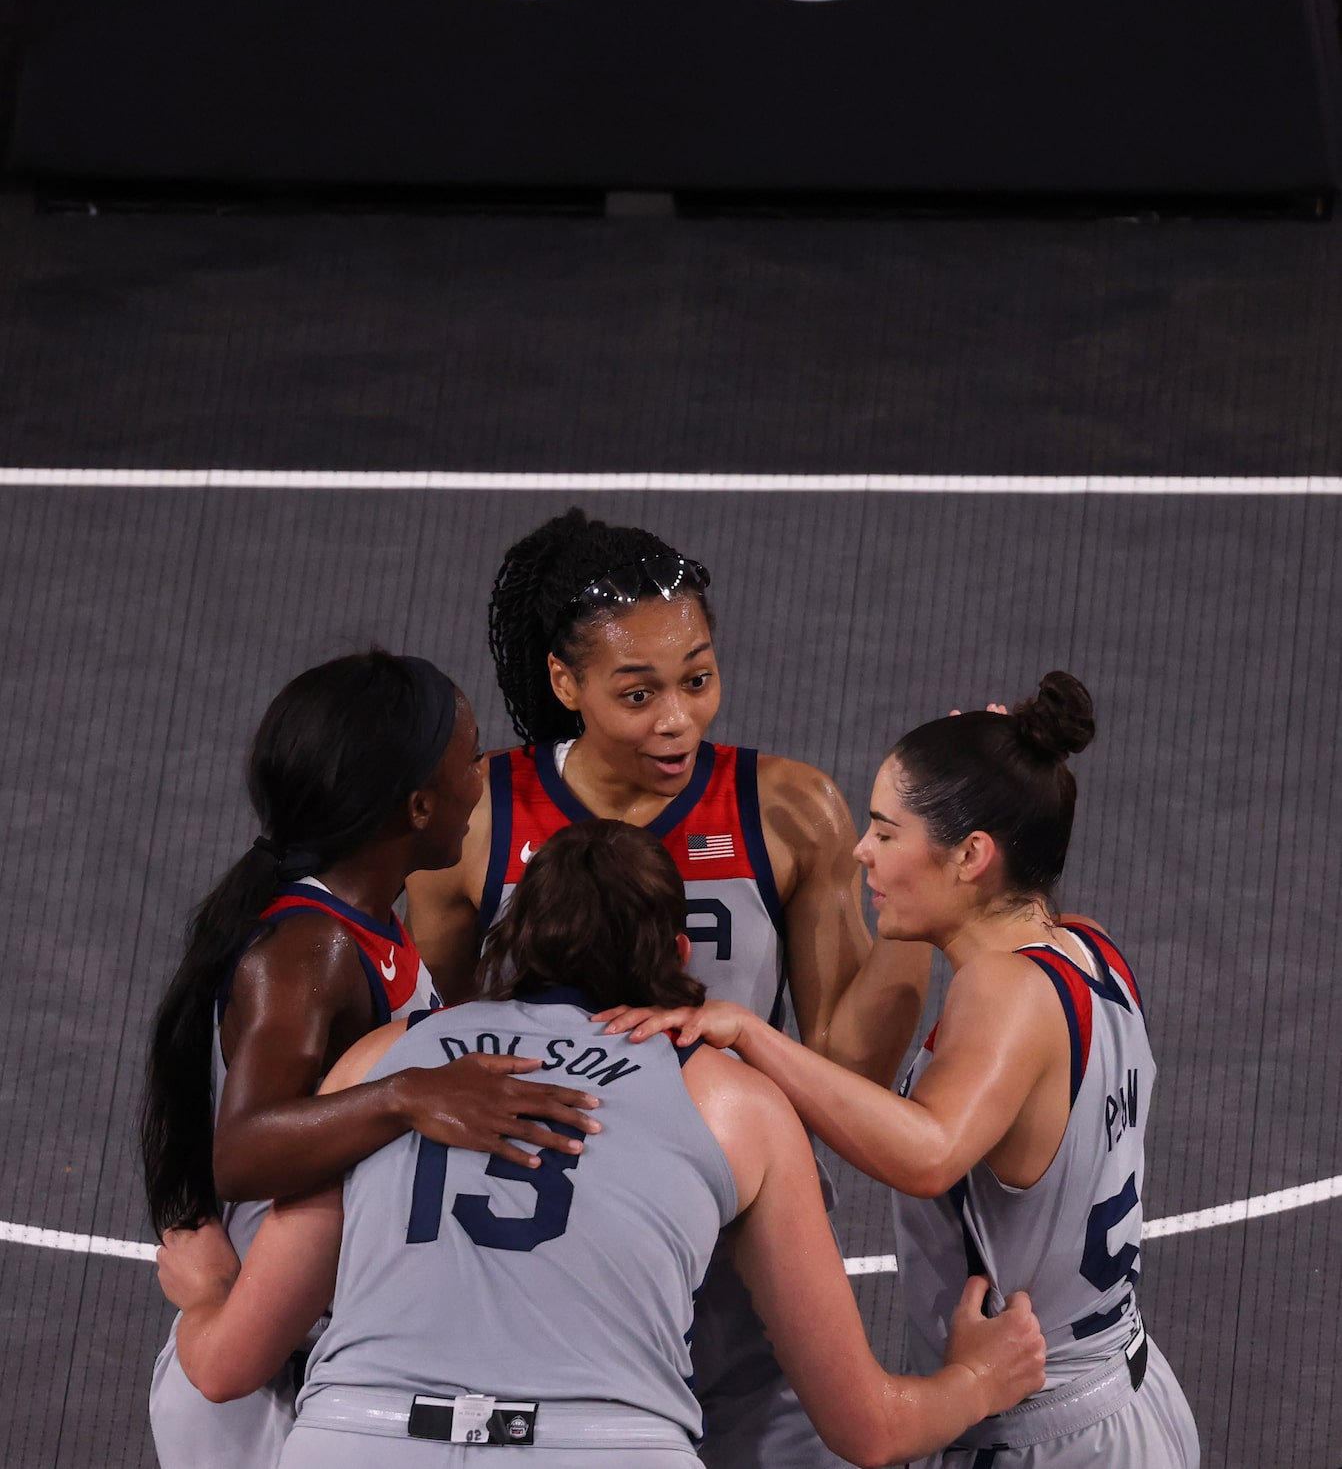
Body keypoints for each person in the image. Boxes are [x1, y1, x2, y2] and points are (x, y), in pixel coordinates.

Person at [156, 820, 1046, 1469]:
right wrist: (981, 1380)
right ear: (673, 949)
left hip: (364, 1441)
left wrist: (205, 1293)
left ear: (513, 942)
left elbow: (230, 1364)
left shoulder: (384, 1062)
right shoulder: (734, 1103)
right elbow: (868, 1428)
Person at [405, 508, 932, 1466]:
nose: (678, 718)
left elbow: (847, 1068)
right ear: (565, 683)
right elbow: (438, 1039)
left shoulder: (788, 809)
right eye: (637, 693)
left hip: (745, 1248)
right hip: (563, 1257)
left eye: (697, 679)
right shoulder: (477, 820)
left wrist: (922, 917)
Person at [598, 674, 1201, 1468]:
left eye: (887, 831)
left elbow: (928, 1151)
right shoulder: (1084, 948)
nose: (861, 851)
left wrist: (748, 1034)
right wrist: (1001, 773)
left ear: (972, 856)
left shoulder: (1004, 989)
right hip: (1125, 1396)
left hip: (1044, 1435)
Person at [142, 651, 602, 1469]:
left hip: (311, 1360)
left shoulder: (363, 928)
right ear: (420, 806)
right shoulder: (311, 949)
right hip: (265, 1386)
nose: (485, 773)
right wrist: (405, 1096)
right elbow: (246, 1152)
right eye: (471, 760)